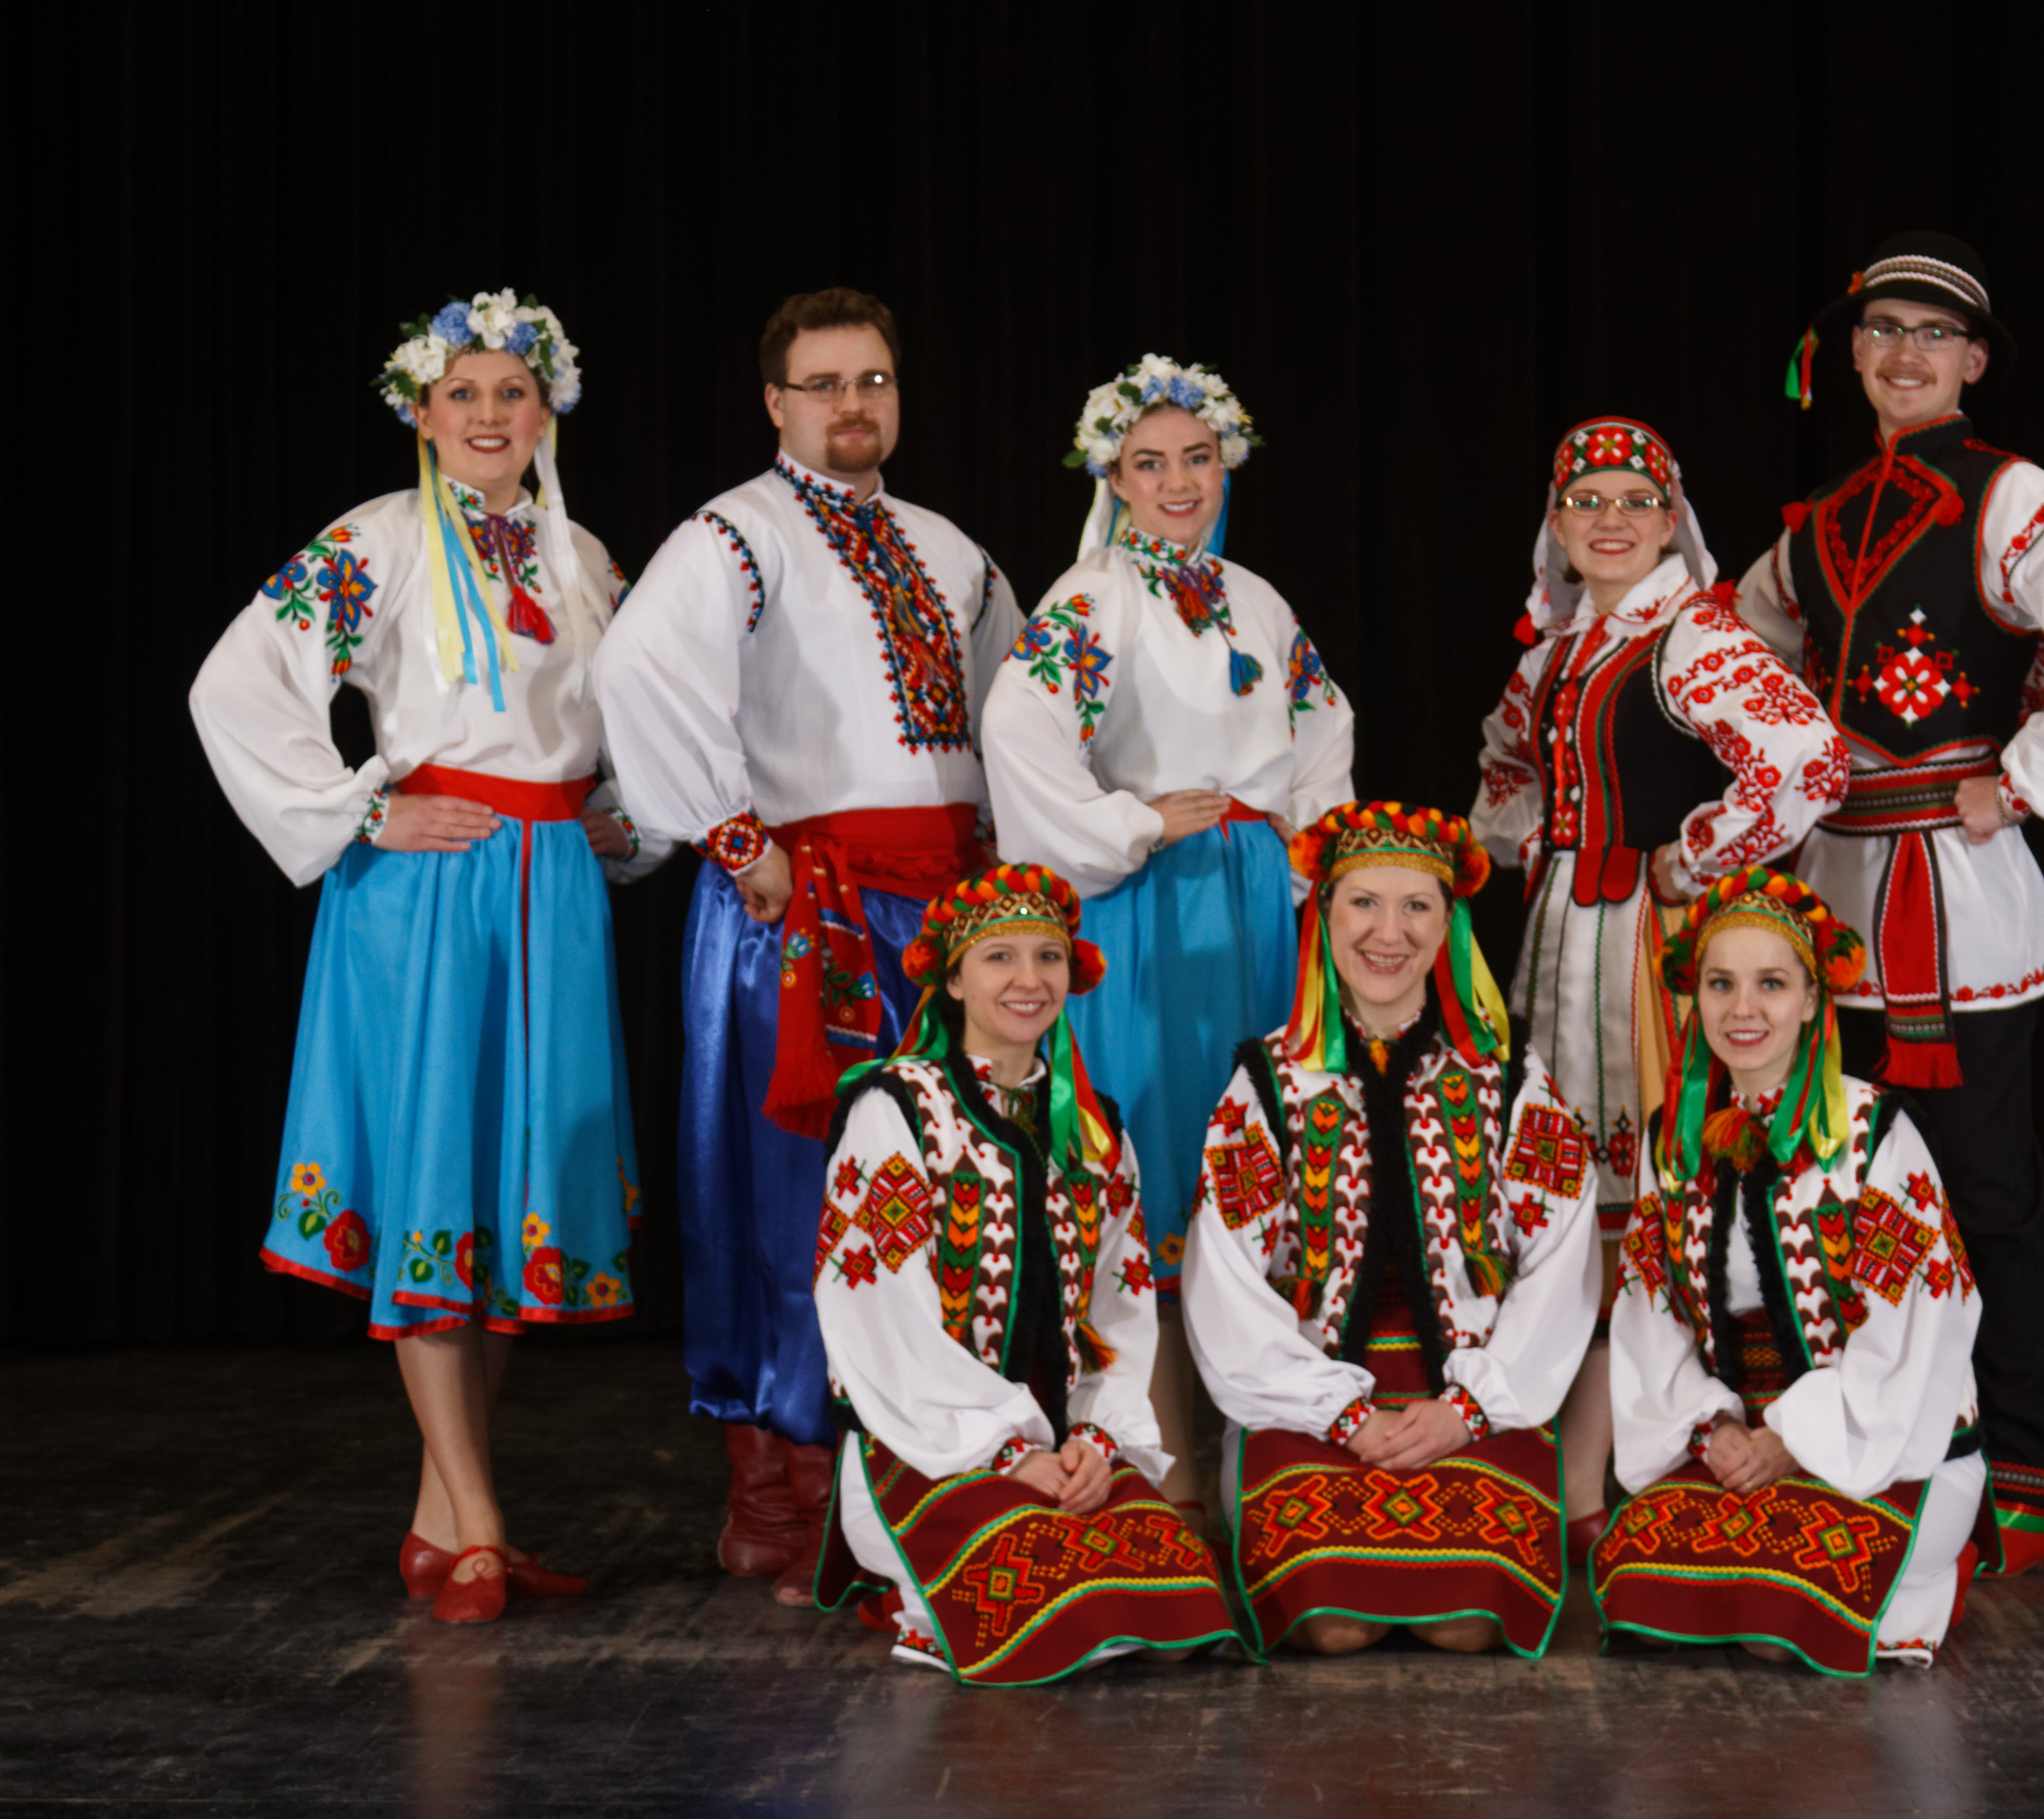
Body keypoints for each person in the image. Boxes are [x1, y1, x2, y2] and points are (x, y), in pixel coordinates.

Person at [190, 289, 662, 1624]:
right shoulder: (379, 541)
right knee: (435, 1184)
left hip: (549, 891)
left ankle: (440, 1512)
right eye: (463, 393)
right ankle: (481, 1521)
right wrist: (361, 806)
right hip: (431, 887)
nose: (490, 414)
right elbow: (236, 682)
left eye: (512, 391)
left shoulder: (584, 559)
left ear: (547, 407)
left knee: (504, 1206)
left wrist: (615, 834)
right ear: (422, 410)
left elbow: (629, 728)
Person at [1735, 231, 2044, 1572]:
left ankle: (2020, 1463)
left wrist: (2026, 780)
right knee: (1847, 1185)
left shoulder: (2015, 493)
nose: (1906, 354)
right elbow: (1736, 644)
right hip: (1838, 898)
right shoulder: (1814, 524)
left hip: (1960, 904)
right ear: (1850, 355)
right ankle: (1879, 1442)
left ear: (1973, 362)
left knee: (1985, 1190)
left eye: (1935, 335)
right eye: (1884, 332)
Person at [595, 288, 1019, 1604]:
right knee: (784, 1193)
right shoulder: (736, 532)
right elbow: (640, 675)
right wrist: (735, 841)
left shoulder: (952, 550)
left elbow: (1011, 720)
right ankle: (777, 1494)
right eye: (825, 382)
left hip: (938, 919)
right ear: (775, 402)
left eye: (875, 379)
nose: (854, 404)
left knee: (943, 1188)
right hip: (802, 910)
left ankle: (920, 1479)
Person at [983, 356, 1356, 1531]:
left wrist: (1307, 849)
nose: (1178, 481)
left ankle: (1252, 1451)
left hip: (1246, 906)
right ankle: (1166, 1459)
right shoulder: (1091, 598)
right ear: (1114, 475)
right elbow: (1020, 728)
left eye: (1196, 458)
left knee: (1243, 1158)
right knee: (1155, 1163)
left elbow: (1321, 721)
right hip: (1146, 913)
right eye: (1150, 464)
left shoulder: (1255, 596)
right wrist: (1132, 822)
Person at [1470, 416, 1849, 1556]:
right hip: (1568, 941)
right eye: (1588, 499)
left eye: (1636, 498)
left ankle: (1670, 1454)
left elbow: (1805, 760)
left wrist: (1690, 859)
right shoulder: (1562, 649)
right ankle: (1585, 1478)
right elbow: (1506, 773)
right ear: (1558, 520)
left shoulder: (1692, 635)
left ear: (1671, 514)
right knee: (1577, 1211)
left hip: (1648, 946)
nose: (1612, 518)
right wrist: (1519, 848)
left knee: (1662, 1201)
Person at [1181, 804, 1601, 1658]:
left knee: (1465, 1626)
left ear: (1449, 924)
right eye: (1364, 904)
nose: (1389, 932)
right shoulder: (1266, 1083)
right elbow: (1225, 1280)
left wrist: (1472, 1408)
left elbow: (1562, 1258)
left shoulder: (1510, 1074)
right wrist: (1341, 1417)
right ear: (1325, 916)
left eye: (1417, 907)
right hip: (1308, 1400)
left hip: (1474, 1398)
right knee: (1334, 1627)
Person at [808, 864, 1236, 1680]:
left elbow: (1119, 1310)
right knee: (1060, 1603)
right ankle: (917, 1585)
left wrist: (1095, 1442)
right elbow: (879, 1318)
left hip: (1063, 1443)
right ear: (955, 978)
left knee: (1177, 1591)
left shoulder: (1094, 1126)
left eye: (1048, 956)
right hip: (930, 1444)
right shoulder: (895, 1112)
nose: (1029, 980)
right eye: (999, 957)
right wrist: (1007, 1451)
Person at [1598, 868, 1984, 1670]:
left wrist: (1794, 1439)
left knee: (1780, 1614)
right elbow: (1650, 1311)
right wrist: (1713, 1428)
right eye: (1722, 984)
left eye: (1771, 984)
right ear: (1694, 998)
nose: (1744, 1010)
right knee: (1637, 1580)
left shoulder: (1873, 1136)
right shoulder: (1674, 1140)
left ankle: (1928, 1564)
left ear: (1812, 1000)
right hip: (1735, 1444)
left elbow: (1921, 1323)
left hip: (1876, 1444)